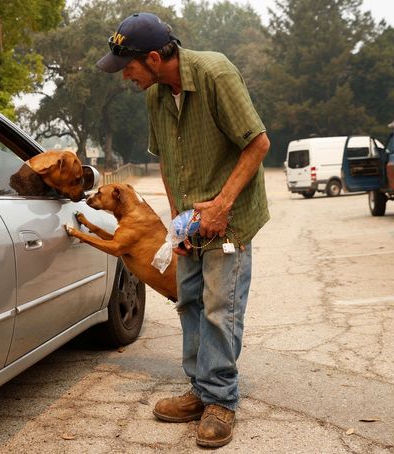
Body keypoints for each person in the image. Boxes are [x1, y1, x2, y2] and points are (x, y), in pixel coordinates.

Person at [97, 12, 270, 448]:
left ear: (154, 58)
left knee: (219, 308)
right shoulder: (155, 96)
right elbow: (169, 165)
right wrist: (178, 227)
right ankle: (199, 391)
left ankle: (221, 402)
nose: (126, 78)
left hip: (229, 219)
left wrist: (221, 206)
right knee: (189, 301)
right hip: (190, 225)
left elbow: (258, 143)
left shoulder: (215, 73)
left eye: (129, 68)